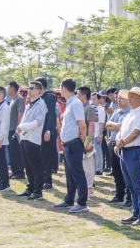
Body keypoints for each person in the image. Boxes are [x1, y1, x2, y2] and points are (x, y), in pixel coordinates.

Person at [107, 87, 140, 224]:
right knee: (130, 186)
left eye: (132, 96)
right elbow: (121, 130)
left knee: (138, 186)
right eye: (129, 96)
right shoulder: (129, 115)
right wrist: (118, 140)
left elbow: (135, 133)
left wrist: (120, 143)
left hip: (134, 151)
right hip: (125, 152)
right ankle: (135, 213)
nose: (129, 99)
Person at [52, 78, 89, 213]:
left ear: (64, 88)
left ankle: (82, 202)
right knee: (69, 174)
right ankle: (69, 200)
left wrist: (85, 141)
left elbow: (82, 124)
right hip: (68, 144)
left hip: (74, 144)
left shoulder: (75, 103)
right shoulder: (70, 103)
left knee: (78, 174)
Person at [15, 81, 47, 200]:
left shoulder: (41, 104)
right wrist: (20, 127)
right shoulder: (29, 104)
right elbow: (24, 120)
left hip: (33, 139)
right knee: (27, 166)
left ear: (39, 90)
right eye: (28, 88)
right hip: (25, 137)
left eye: (32, 88)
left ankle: (38, 191)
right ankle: (31, 188)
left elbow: (38, 122)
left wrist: (22, 127)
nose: (29, 90)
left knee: (35, 166)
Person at [106, 91, 130, 204]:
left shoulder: (130, 113)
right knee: (116, 173)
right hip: (113, 144)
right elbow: (107, 125)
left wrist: (114, 125)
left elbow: (124, 127)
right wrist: (118, 126)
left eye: (121, 98)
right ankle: (119, 195)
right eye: (117, 98)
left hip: (123, 145)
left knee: (126, 173)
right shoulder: (116, 112)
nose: (118, 100)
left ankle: (129, 198)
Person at [36, 77, 58, 190]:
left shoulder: (48, 98)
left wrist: (48, 130)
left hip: (46, 131)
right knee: (39, 156)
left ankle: (47, 181)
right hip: (38, 131)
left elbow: (51, 115)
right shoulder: (37, 98)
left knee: (46, 156)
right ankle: (40, 179)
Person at [77, 86, 97, 196]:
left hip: (87, 141)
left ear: (84, 96)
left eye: (78, 94)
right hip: (80, 140)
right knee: (82, 165)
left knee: (88, 165)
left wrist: (88, 142)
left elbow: (91, 125)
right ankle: (83, 187)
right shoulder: (81, 107)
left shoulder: (89, 108)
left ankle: (89, 188)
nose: (76, 96)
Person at [6, 82, 26, 180]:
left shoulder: (19, 99)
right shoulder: (12, 100)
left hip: (15, 129)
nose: (7, 89)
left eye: (8, 87)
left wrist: (18, 127)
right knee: (11, 151)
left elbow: (20, 113)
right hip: (10, 129)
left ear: (13, 88)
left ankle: (19, 172)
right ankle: (14, 171)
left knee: (16, 152)